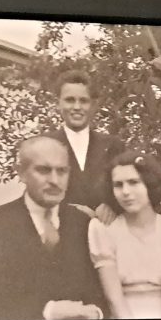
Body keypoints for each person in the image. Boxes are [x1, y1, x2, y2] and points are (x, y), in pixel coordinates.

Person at [0, 135, 108, 320]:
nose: (55, 180)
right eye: (43, 170)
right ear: (21, 173)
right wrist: (47, 311)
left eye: (62, 171)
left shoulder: (83, 223)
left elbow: (103, 292)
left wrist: (97, 314)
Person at [88, 151, 161, 319]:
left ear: (150, 184)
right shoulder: (103, 229)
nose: (125, 191)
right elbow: (114, 300)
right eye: (118, 185)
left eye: (134, 182)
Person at [51, 70, 125, 214]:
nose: (77, 107)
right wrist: (73, 212)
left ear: (93, 105)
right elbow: (36, 197)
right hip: (59, 225)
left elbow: (127, 186)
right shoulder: (43, 145)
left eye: (83, 101)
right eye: (69, 100)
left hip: (105, 225)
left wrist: (111, 204)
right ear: (58, 103)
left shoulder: (113, 146)